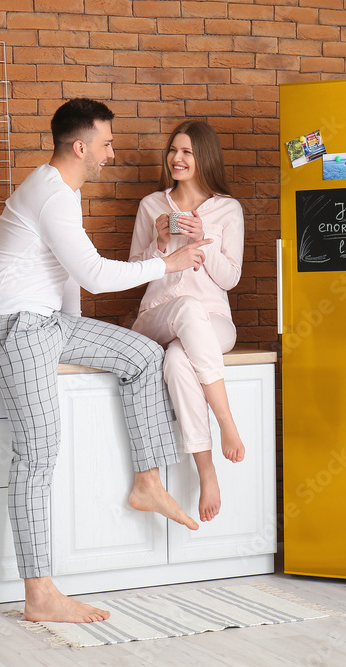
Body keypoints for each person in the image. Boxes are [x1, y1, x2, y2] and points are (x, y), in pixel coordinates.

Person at [0, 99, 212, 624]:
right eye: (106, 143)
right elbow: (97, 274)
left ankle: (148, 481)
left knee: (145, 355)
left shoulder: (62, 192)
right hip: (13, 327)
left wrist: (77, 334)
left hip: (46, 325)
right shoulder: (51, 195)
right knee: (38, 452)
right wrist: (165, 261)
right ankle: (39, 594)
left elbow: (69, 279)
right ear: (80, 147)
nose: (112, 151)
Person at [128, 120, 245, 524]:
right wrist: (159, 244)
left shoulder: (228, 209)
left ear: (204, 158)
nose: (177, 159)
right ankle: (226, 420)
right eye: (174, 150)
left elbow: (231, 277)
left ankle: (206, 469)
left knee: (179, 360)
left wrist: (202, 242)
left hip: (214, 320)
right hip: (157, 315)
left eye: (187, 152)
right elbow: (132, 271)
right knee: (185, 312)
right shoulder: (151, 205)